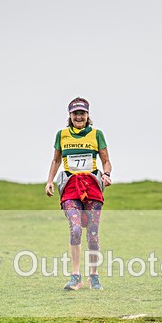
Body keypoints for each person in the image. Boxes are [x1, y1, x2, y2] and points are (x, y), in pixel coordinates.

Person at [45, 97, 112, 290]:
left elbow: (106, 160)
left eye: (82, 113)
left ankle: (94, 276)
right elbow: (56, 160)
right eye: (75, 113)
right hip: (70, 186)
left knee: (92, 234)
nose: (79, 116)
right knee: (75, 229)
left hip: (91, 186)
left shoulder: (97, 134)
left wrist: (106, 174)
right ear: (70, 115)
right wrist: (49, 181)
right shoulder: (62, 135)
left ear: (88, 115)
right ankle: (76, 277)